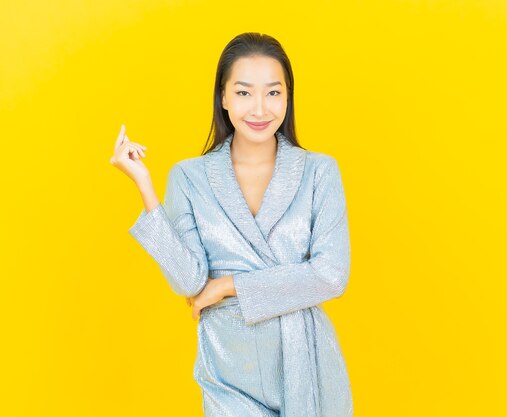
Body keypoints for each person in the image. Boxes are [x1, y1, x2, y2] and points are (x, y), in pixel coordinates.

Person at [110, 32, 353, 417]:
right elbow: (189, 281)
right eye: (243, 93)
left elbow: (331, 274)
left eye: (273, 93)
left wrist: (229, 285)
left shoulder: (318, 172)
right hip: (226, 362)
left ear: (288, 98)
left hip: (305, 360)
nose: (260, 108)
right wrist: (144, 186)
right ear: (223, 97)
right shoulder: (189, 177)